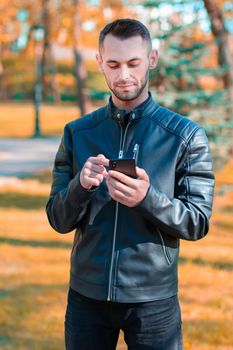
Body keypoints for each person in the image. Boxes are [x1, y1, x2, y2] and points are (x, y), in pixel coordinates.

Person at [46, 18, 215, 350]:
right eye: (113, 64)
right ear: (99, 63)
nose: (124, 74)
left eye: (133, 63)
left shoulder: (184, 136)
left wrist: (147, 198)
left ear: (151, 59)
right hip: (86, 297)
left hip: (153, 302)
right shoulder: (78, 132)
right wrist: (81, 186)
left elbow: (198, 221)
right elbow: (57, 218)